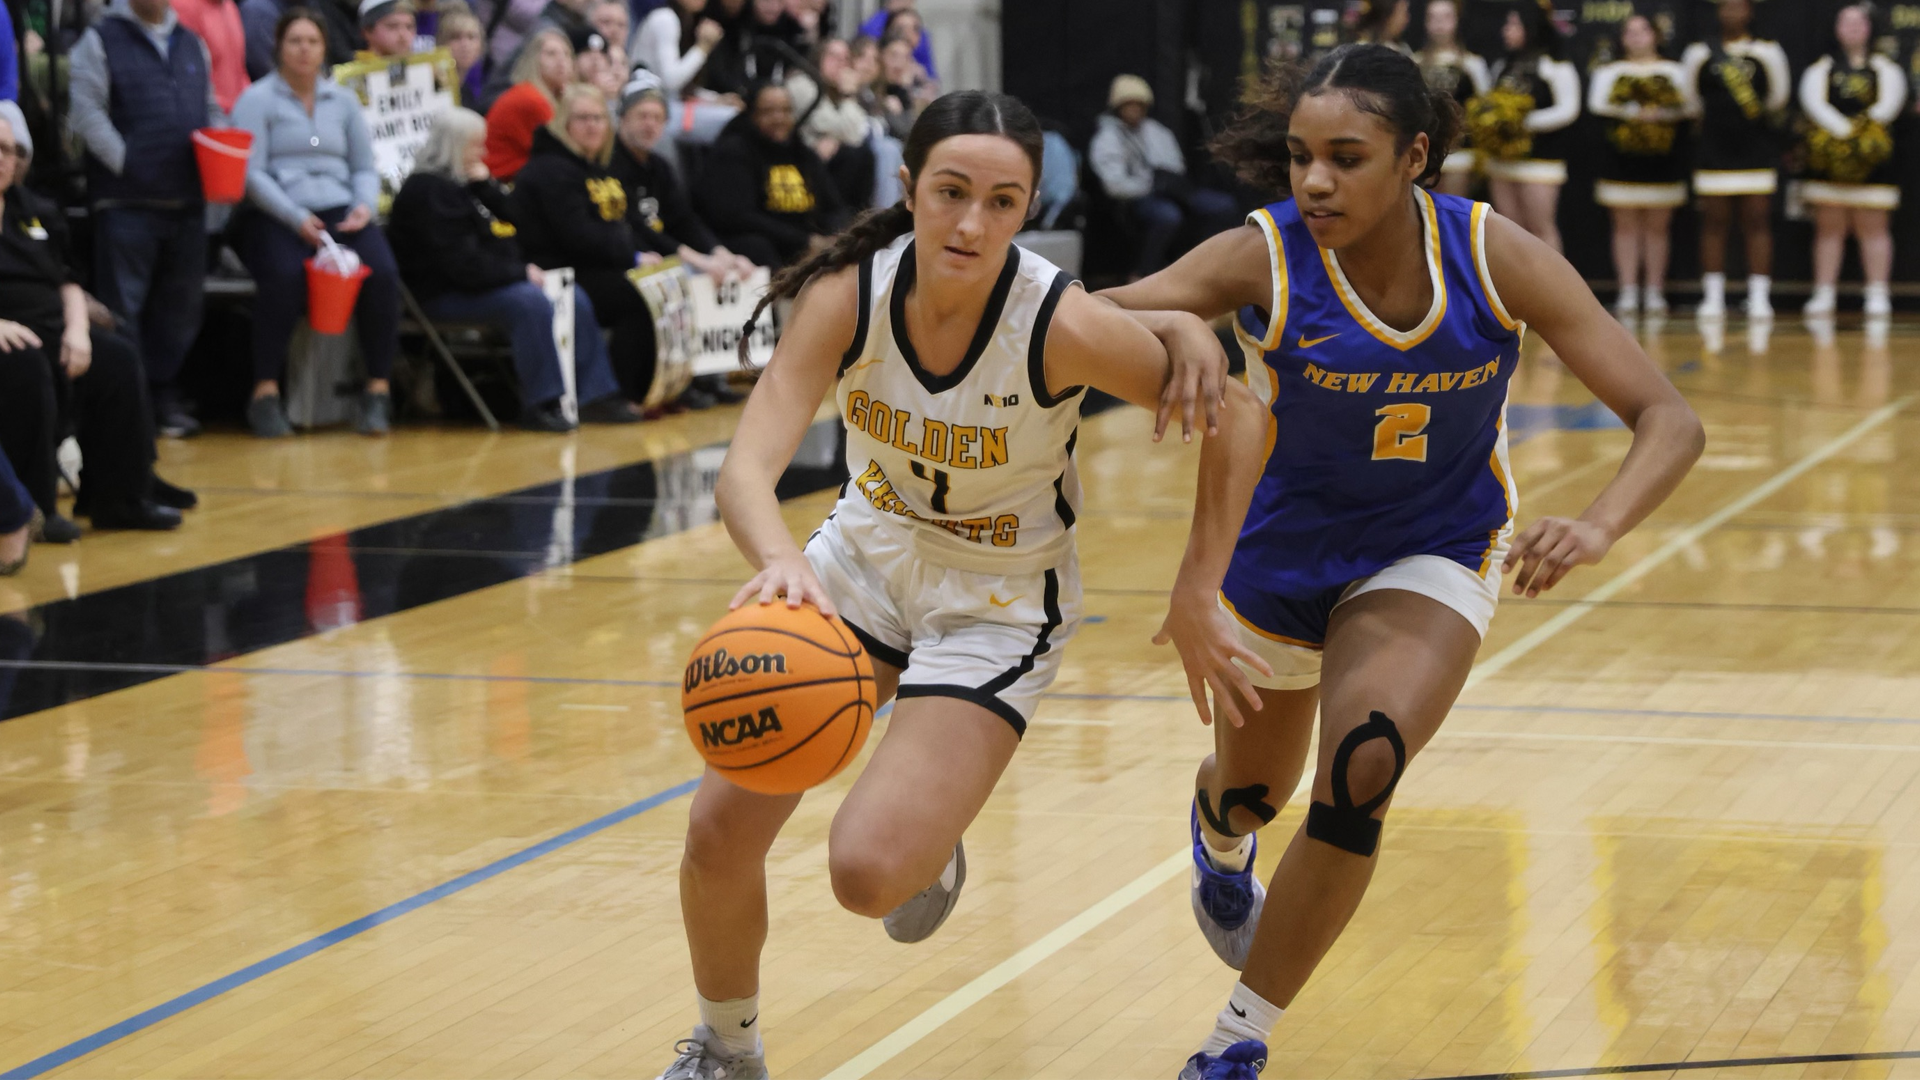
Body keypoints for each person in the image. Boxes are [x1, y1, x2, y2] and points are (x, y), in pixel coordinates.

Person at [1099, 43, 1704, 1078]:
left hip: (1435, 546)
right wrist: (1174, 326)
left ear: (1415, 156)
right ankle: (1219, 823)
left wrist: (1598, 524)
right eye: (1299, 158)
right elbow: (1087, 315)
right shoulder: (1263, 255)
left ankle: (1237, 1042)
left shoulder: (1492, 251)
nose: (1316, 181)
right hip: (1277, 558)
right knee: (1256, 795)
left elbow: (1667, 417)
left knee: (1363, 765)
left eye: (1347, 157)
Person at [654, 88, 1267, 1080]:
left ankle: (925, 830)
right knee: (718, 830)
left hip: (997, 603)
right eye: (951, 192)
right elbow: (744, 468)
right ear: (909, 188)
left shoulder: (1053, 321)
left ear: (1027, 210)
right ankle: (727, 1049)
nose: (973, 222)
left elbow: (1240, 418)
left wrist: (1199, 587)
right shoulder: (850, 293)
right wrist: (775, 558)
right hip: (857, 568)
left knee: (865, 876)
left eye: (1002, 202)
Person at [0, 110, 196, 535]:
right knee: (25, 364)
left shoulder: (33, 210)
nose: (3, 158)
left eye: (9, 150)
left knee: (118, 358)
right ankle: (34, 510)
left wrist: (77, 331)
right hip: (8, 337)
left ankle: (120, 498)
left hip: (52, 327)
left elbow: (67, 281)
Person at [390, 108, 641, 430]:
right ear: (453, 147)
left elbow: (518, 221)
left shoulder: (462, 184)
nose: (483, 153)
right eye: (475, 146)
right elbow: (461, 266)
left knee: (572, 294)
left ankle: (596, 396)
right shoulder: (427, 192)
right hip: (440, 294)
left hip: (475, 283)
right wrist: (519, 273)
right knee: (528, 302)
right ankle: (542, 402)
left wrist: (487, 188)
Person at [229, 7, 401, 437]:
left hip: (340, 208)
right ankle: (265, 392)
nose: (304, 50)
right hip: (275, 212)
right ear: (280, 48)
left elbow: (363, 165)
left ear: (324, 48)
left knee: (382, 273)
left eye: (313, 41)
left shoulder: (341, 100)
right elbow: (251, 172)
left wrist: (363, 204)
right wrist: (294, 216)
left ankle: (378, 390)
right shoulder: (257, 99)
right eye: (295, 41)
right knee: (284, 277)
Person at [68, 0, 222, 439]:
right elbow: (86, 113)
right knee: (124, 310)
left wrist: (218, 143)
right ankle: (127, 402)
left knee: (182, 310)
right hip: (126, 202)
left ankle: (160, 393)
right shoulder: (98, 39)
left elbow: (209, 107)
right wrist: (127, 162)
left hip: (188, 200)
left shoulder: (192, 43)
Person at [513, 84, 665, 405]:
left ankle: (658, 387)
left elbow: (627, 224)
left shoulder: (597, 167)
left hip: (594, 263)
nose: (592, 125)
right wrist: (633, 255)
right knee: (635, 296)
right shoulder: (551, 170)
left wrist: (655, 253)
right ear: (564, 124)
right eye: (582, 118)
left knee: (659, 284)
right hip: (558, 269)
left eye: (598, 118)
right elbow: (578, 236)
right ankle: (618, 392)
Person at [612, 82, 753, 409]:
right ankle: (681, 379)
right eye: (641, 116)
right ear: (623, 119)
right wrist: (690, 256)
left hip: (663, 250)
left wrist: (718, 252)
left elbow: (684, 218)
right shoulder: (613, 165)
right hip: (637, 254)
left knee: (719, 269)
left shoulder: (659, 166)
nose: (649, 124)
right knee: (688, 272)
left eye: (657, 117)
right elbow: (636, 227)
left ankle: (707, 374)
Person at [1680, 0, 1788, 320]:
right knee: (1714, 222)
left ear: (1749, 12)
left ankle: (1759, 297)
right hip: (1714, 147)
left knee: (1757, 221)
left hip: (1755, 146)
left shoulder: (1767, 51)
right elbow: (1690, 100)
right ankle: (1713, 297)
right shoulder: (1699, 52)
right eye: (1725, 8)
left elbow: (1778, 97)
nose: (1731, 14)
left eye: (1738, 8)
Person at [1798, 4, 1906, 319]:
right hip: (1828, 156)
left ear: (1870, 28)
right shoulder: (1822, 68)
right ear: (1836, 28)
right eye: (1846, 22)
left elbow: (1888, 104)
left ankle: (1877, 293)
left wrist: (1861, 132)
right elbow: (1814, 102)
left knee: (1873, 226)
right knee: (1829, 227)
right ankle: (1824, 292)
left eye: (1859, 23)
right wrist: (1840, 131)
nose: (1853, 28)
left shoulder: (1885, 68)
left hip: (1873, 157)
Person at [1587, 14, 1693, 316]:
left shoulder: (1673, 71)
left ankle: (1655, 291)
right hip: (1621, 157)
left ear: (1656, 35)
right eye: (1629, 32)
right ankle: (1628, 291)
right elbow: (1597, 104)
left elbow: (1690, 105)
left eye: (1643, 31)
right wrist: (1634, 111)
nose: (1636, 37)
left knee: (1658, 228)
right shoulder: (1610, 71)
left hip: (1664, 158)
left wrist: (1660, 114)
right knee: (1624, 226)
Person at [1090, 73, 1241, 282]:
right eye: (1129, 104)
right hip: (1137, 198)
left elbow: (1176, 165)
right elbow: (1114, 184)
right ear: (1118, 107)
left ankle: (1207, 266)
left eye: (1139, 104)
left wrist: (1167, 180)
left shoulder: (1157, 132)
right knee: (1168, 216)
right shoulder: (1107, 138)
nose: (1135, 109)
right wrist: (1149, 185)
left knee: (1223, 206)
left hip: (1174, 190)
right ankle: (1144, 272)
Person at [694, 81, 844, 267]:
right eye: (769, 111)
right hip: (756, 241)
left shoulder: (802, 152)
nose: (779, 118)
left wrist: (835, 234)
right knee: (758, 247)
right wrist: (803, 240)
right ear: (752, 114)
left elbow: (834, 206)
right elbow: (738, 217)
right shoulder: (733, 151)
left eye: (785, 111)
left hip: (802, 240)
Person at [1481, 2, 1578, 252]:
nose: (1506, 30)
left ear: (1531, 26)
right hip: (1502, 160)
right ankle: (1513, 290)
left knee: (1540, 229)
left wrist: (1521, 123)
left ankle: (1552, 290)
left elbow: (1568, 110)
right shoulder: (1502, 66)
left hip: (1541, 161)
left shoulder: (1555, 66)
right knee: (1509, 230)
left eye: (1513, 24)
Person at [629, 0, 737, 143]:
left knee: (736, 113)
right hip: (648, 106)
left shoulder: (686, 20)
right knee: (734, 119)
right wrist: (703, 46)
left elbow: (683, 89)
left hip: (670, 105)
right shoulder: (665, 18)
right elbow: (671, 81)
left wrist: (716, 99)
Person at [787, 36, 876, 208]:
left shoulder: (837, 92)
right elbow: (827, 124)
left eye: (845, 59)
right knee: (854, 156)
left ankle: (855, 222)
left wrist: (847, 97)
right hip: (800, 153)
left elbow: (856, 135)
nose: (840, 64)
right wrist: (848, 96)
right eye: (833, 57)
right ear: (818, 57)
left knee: (864, 154)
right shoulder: (802, 83)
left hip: (828, 155)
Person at [1410, 0, 1487, 197]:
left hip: (1460, 154)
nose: (1440, 25)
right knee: (1425, 214)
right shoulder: (1415, 62)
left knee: (1455, 215)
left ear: (1457, 21)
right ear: (1425, 22)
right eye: (1433, 18)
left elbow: (1485, 110)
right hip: (1423, 152)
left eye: (1446, 17)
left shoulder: (1472, 64)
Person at [483, 25, 569, 179]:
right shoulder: (531, 98)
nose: (561, 60)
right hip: (502, 181)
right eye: (551, 54)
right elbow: (565, 149)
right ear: (533, 59)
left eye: (567, 54)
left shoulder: (542, 95)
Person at [173, 0, 253, 111]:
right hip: (212, 115)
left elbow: (240, 69)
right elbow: (186, 78)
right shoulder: (183, 7)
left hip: (241, 110)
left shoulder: (229, 6)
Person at [856, 0, 932, 81]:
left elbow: (932, 79)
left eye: (915, 29)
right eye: (901, 28)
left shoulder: (923, 39)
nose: (908, 33)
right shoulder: (871, 28)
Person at [437, 7, 485, 108]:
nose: (465, 45)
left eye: (471, 37)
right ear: (442, 43)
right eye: (455, 37)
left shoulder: (470, 94)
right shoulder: (434, 86)